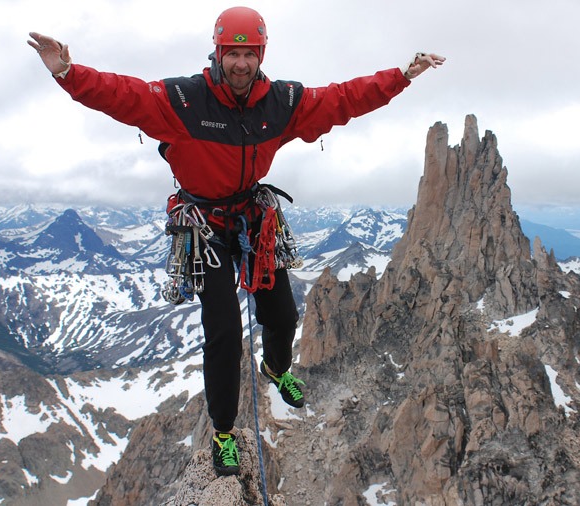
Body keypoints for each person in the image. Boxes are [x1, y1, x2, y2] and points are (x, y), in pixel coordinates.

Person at [28, 6, 444, 477]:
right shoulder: (184, 100)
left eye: (249, 53)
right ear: (218, 52)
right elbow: (121, 95)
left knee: (283, 314)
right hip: (203, 225)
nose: (241, 63)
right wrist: (67, 72)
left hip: (252, 217)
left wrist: (401, 76)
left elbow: (342, 99)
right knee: (223, 332)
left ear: (261, 54)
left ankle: (276, 368)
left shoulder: (281, 102)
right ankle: (224, 432)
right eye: (233, 53)